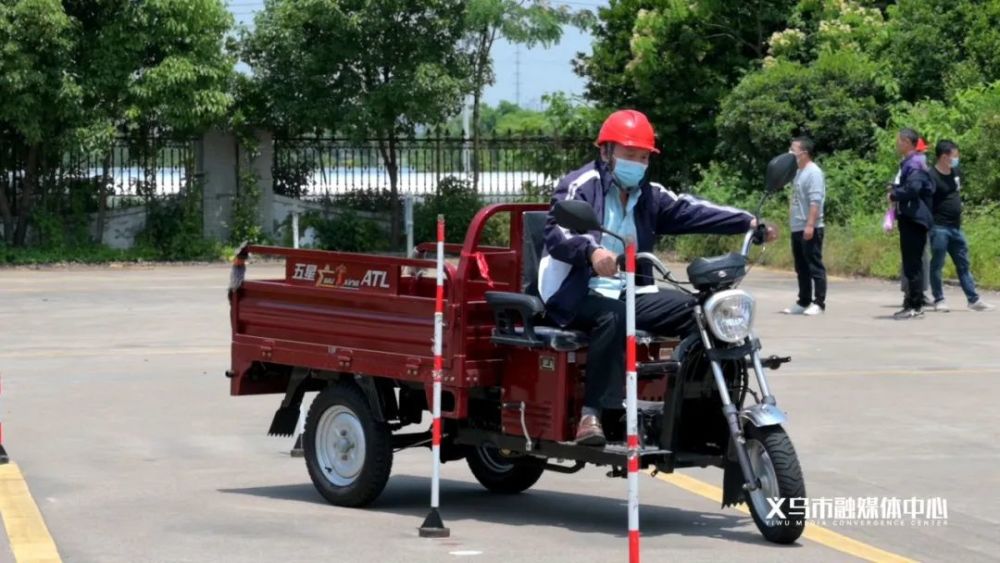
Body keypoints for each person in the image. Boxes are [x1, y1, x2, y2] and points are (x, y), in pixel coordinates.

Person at [538, 109, 776, 446]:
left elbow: (692, 209)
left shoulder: (650, 194)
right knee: (613, 316)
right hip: (578, 291)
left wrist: (750, 223)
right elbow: (558, 230)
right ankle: (593, 415)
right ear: (606, 152)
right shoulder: (581, 185)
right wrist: (591, 252)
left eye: (643, 156)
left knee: (703, 312)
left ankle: (693, 410)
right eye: (629, 154)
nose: (636, 162)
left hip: (632, 290)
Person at [927, 140, 994, 312]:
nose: (957, 159)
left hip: (956, 228)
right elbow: (926, 202)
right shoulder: (931, 176)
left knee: (963, 263)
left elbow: (955, 193)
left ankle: (973, 299)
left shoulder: (956, 171)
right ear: (944, 157)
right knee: (937, 264)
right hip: (939, 228)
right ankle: (939, 299)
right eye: (954, 156)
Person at [889, 128, 935, 319]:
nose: (897, 144)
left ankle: (916, 306)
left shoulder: (915, 163)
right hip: (908, 217)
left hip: (915, 218)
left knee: (913, 263)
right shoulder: (909, 162)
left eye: (899, 140)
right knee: (910, 263)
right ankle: (910, 303)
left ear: (907, 141)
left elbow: (914, 188)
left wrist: (894, 194)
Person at [782, 136, 827, 315]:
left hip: (810, 226)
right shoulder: (798, 172)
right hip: (797, 225)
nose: (790, 153)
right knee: (801, 267)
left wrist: (810, 225)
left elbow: (815, 201)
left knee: (814, 265)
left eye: (793, 150)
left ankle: (819, 303)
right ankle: (803, 301)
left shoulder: (813, 172)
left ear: (804, 153)